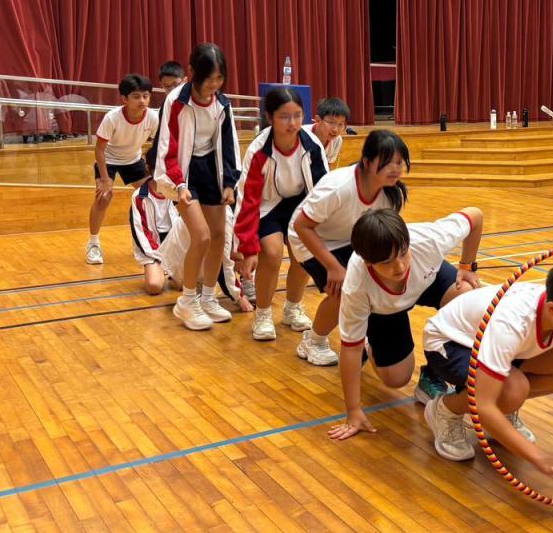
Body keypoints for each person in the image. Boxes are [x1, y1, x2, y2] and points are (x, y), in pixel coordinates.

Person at [421, 264, 553, 474]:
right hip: (449, 341)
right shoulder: (513, 321)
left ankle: (503, 411)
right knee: (511, 392)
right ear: (552, 310)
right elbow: (484, 405)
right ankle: (446, 410)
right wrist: (541, 458)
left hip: (498, 345)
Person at [327, 207, 484, 441]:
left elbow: (475, 216)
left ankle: (432, 375)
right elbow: (350, 349)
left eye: (403, 253)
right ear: (368, 263)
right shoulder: (356, 286)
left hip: (428, 280)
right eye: (387, 262)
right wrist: (353, 411)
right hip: (385, 309)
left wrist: (467, 266)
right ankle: (371, 342)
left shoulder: (430, 239)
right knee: (396, 379)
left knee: (468, 295)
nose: (399, 266)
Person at [288, 130, 411, 365]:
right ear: (367, 162)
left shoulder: (389, 194)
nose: (396, 169)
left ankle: (365, 336)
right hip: (309, 237)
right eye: (388, 162)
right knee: (344, 290)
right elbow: (302, 226)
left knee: (375, 281)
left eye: (399, 162)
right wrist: (333, 267)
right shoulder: (339, 186)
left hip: (350, 239)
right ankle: (313, 341)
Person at [154, 43, 243, 331]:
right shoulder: (176, 101)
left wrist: (229, 183)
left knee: (218, 236)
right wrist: (179, 183)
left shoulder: (222, 104)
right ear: (192, 72)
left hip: (211, 171)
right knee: (201, 236)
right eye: (208, 78)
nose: (214, 85)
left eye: (219, 78)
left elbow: (229, 145)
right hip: (182, 172)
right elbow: (167, 146)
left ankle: (208, 297)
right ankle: (187, 300)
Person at [232, 87, 328, 341]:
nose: (292, 123)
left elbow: (323, 190)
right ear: (270, 117)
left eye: (297, 115)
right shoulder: (259, 150)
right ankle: (263, 314)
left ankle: (292, 308)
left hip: (301, 204)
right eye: (284, 116)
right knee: (272, 253)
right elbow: (247, 201)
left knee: (303, 251)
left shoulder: (312, 145)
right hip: (268, 205)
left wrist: (325, 229)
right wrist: (246, 247)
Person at [87, 74, 158, 265]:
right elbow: (99, 150)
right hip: (109, 159)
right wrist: (105, 179)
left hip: (133, 160)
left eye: (145, 96)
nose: (142, 101)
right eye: (136, 96)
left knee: (152, 197)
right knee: (103, 197)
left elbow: (160, 144)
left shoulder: (153, 117)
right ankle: (93, 244)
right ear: (124, 99)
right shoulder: (112, 118)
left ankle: (153, 240)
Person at [310, 97, 351, 167]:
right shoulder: (301, 135)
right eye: (331, 122)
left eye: (340, 124)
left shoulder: (337, 140)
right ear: (318, 120)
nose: (335, 130)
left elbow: (327, 168)